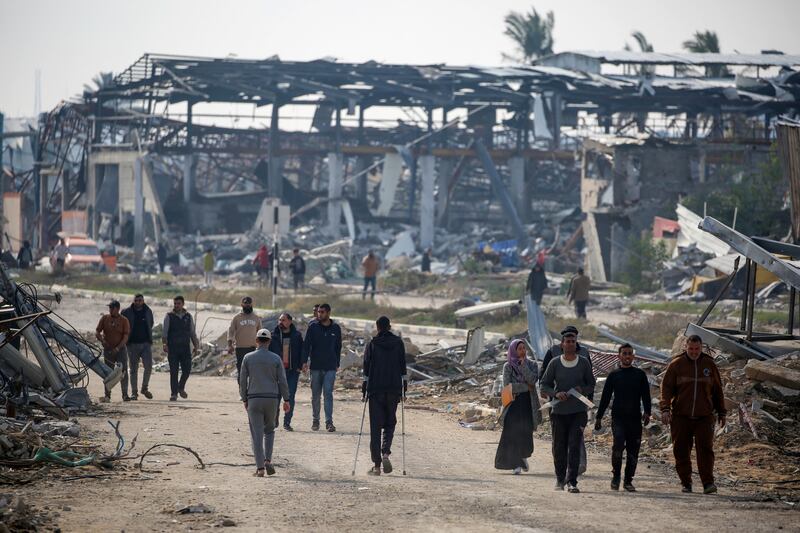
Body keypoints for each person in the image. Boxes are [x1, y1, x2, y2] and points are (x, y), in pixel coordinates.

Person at [660, 335, 726, 494]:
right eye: (691, 349)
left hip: (704, 416)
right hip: (681, 416)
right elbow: (666, 388)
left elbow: (717, 390)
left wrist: (722, 412)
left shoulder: (709, 364)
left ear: (701, 348)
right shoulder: (677, 364)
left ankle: (708, 483)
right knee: (681, 450)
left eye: (697, 349)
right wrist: (665, 409)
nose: (694, 352)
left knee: (706, 450)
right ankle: (686, 482)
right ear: (685, 347)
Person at [540, 331, 596, 493]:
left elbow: (591, 384)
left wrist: (582, 389)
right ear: (562, 344)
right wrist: (556, 394)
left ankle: (572, 481)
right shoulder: (555, 363)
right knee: (559, 446)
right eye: (568, 341)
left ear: (576, 344)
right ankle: (559, 479)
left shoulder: (584, 363)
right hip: (558, 412)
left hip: (578, 411)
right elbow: (544, 384)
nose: (571, 344)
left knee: (574, 445)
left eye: (573, 341)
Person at [594, 343, 651, 492]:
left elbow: (646, 396)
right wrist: (599, 417)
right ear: (619, 356)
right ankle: (616, 476)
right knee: (618, 446)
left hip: (634, 419)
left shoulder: (640, 375)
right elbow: (605, 397)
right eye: (624, 353)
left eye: (629, 354)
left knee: (633, 450)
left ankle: (628, 480)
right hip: (618, 418)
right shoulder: (614, 375)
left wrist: (647, 413)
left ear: (633, 356)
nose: (627, 356)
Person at [240, 328, 290, 477]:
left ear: (256, 341)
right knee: (269, 431)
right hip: (271, 399)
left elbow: (242, 380)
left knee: (256, 434)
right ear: (269, 341)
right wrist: (286, 399)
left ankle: (260, 468)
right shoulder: (276, 359)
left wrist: (244, 398)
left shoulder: (248, 358)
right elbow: (282, 381)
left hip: (254, 399)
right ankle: (268, 460)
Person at [362, 316, 407, 475]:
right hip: (394, 389)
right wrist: (404, 389)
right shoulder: (398, 343)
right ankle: (386, 452)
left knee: (375, 428)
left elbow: (366, 368)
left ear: (378, 327)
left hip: (375, 390)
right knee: (390, 423)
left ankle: (376, 466)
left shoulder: (372, 344)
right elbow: (403, 367)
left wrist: (364, 389)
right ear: (389, 327)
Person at [495, 340, 542, 475]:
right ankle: (516, 464)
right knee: (512, 434)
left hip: (528, 404)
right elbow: (508, 386)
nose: (522, 351)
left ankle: (522, 457)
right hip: (513, 405)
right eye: (519, 349)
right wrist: (526, 387)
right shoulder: (507, 366)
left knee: (525, 433)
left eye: (523, 348)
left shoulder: (532, 365)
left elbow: (533, 380)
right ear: (513, 351)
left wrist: (523, 367)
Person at [302, 303, 342, 432]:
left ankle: (329, 422)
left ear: (328, 313)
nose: (319, 314)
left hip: (330, 366)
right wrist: (304, 362)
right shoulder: (313, 327)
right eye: (318, 312)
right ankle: (316, 420)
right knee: (315, 395)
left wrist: (337, 363)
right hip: (316, 366)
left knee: (328, 394)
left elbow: (338, 347)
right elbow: (306, 345)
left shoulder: (336, 328)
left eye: (322, 312)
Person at [269, 313, 304, 431]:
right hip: (277, 372)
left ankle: (287, 422)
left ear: (290, 321)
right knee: (276, 396)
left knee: (290, 397)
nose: (280, 322)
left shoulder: (297, 336)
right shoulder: (273, 336)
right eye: (279, 320)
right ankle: (275, 419)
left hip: (292, 372)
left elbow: (302, 352)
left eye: (283, 320)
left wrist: (300, 365)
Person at [162, 295, 200, 401]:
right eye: (175, 303)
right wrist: (164, 344)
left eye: (178, 303)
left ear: (183, 304)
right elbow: (165, 332)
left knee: (187, 370)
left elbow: (192, 332)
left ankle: (180, 387)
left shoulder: (188, 316)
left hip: (185, 348)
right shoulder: (169, 316)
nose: (176, 305)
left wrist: (196, 346)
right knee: (173, 372)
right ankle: (174, 394)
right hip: (173, 348)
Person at [95, 300, 131, 402]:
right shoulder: (105, 318)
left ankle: (125, 394)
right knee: (108, 372)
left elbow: (125, 336)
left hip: (121, 350)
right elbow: (97, 331)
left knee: (123, 372)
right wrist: (102, 340)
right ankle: (107, 395)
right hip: (108, 350)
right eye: (109, 308)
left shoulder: (124, 320)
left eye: (112, 308)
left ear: (117, 309)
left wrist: (118, 348)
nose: (110, 310)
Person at [121, 294, 155, 400]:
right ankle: (134, 392)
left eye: (140, 300)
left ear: (143, 301)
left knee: (148, 367)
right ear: (133, 301)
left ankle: (144, 388)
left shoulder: (148, 311)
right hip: (132, 344)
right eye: (136, 300)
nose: (138, 302)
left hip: (146, 343)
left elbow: (151, 324)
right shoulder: (126, 312)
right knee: (133, 369)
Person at [227, 296, 261, 381]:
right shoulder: (237, 318)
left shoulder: (256, 318)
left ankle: (251, 392)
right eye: (245, 304)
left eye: (249, 304)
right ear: (242, 304)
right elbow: (230, 331)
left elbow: (260, 333)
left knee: (252, 371)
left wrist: (261, 346)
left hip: (253, 349)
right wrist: (230, 346)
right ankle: (242, 391)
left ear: (252, 304)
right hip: (240, 349)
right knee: (242, 371)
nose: (247, 305)